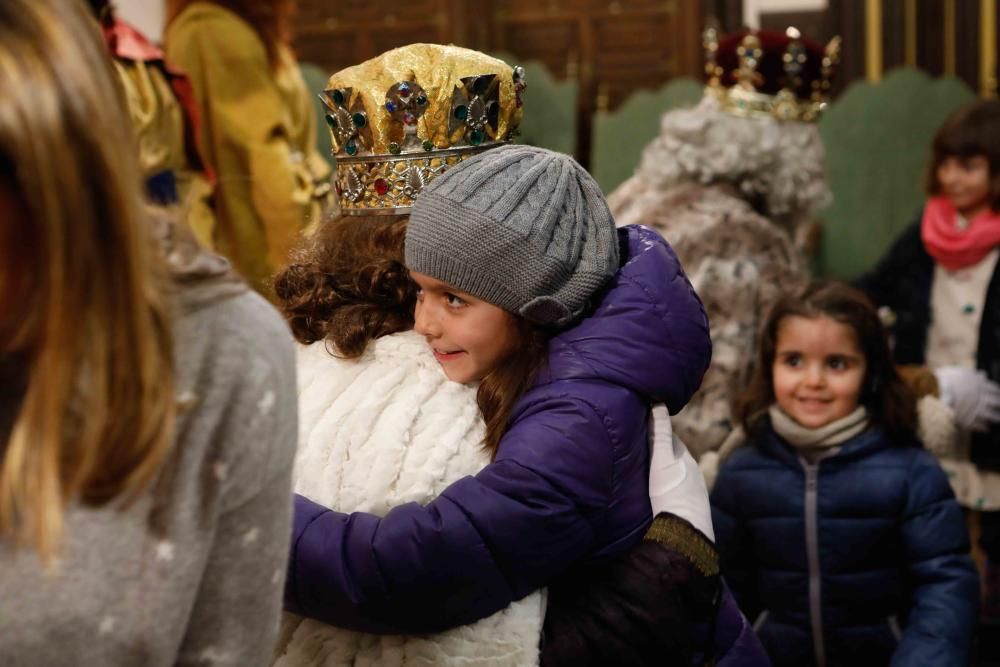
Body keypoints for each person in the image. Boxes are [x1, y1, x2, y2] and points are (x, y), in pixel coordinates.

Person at [274, 44, 764, 666]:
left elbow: (417, 570)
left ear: (535, 304)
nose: (423, 321)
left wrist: (252, 518)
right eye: (417, 292)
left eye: (453, 299)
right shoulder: (553, 364)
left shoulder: (578, 414)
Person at [0, 0, 297, 663]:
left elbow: (249, 166)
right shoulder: (198, 35)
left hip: (164, 249)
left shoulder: (173, 42)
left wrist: (280, 285)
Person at [711, 281, 979, 666]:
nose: (813, 381)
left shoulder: (911, 470)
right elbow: (723, 594)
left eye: (837, 364)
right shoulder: (741, 472)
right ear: (770, 366)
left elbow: (944, 584)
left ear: (870, 371)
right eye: (793, 361)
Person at [608, 28, 837, 476]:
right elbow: (731, 400)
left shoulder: (632, 194)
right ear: (792, 149)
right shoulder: (751, 238)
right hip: (674, 472)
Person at [857, 99, 1000, 620]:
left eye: (969, 165)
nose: (951, 177)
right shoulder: (929, 229)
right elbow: (876, 285)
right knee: (937, 528)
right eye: (944, 163)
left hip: (989, 412)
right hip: (935, 407)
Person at [165, 0, 332, 298]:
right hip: (261, 243)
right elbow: (266, 158)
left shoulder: (235, 27)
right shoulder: (215, 32)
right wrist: (301, 268)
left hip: (275, 232)